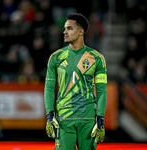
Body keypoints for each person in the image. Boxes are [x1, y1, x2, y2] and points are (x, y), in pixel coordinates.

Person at [44, 13, 107, 150]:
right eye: (65, 28)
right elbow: (49, 88)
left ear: (80, 32)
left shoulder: (97, 59)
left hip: (88, 120)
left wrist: (100, 119)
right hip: (64, 120)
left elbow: (102, 91)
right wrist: (50, 115)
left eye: (69, 28)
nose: (64, 32)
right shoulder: (56, 57)